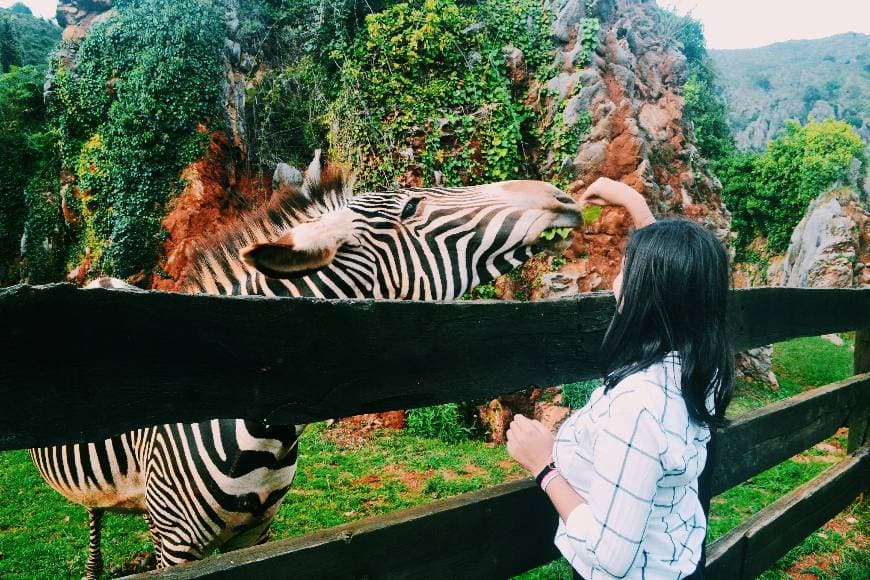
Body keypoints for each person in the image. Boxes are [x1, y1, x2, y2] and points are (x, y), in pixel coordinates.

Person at [506, 177, 733, 579]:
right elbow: (680, 276)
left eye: (627, 268)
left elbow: (611, 554)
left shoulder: (638, 407)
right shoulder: (703, 366)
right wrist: (633, 202)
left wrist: (544, 466)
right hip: (676, 562)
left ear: (645, 292)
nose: (616, 277)